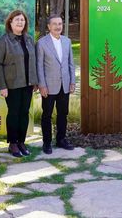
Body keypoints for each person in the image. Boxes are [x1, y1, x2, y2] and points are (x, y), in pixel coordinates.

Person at [0, 10, 38, 158]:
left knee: (24, 113)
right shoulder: (4, 41)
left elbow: (33, 61)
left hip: (27, 84)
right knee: (14, 113)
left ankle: (21, 142)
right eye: (17, 20)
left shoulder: (29, 39)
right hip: (12, 85)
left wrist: (35, 81)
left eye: (22, 20)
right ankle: (12, 143)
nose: (20, 22)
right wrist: (2, 86)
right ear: (10, 22)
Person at [36, 15, 76, 155]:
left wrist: (72, 81)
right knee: (47, 115)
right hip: (49, 86)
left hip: (64, 85)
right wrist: (42, 85)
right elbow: (39, 66)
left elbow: (71, 63)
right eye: (55, 24)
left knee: (63, 114)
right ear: (49, 26)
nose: (58, 26)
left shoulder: (67, 41)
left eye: (60, 24)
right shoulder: (42, 43)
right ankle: (47, 142)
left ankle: (61, 139)